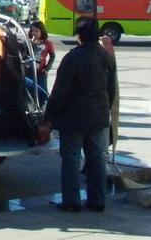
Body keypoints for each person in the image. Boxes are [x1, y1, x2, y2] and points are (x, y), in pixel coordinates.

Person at [45, 16, 116, 213]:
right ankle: (97, 200)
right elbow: (112, 90)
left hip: (74, 117)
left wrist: (48, 115)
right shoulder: (106, 56)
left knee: (71, 159)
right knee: (97, 159)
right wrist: (105, 109)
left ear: (79, 35)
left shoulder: (73, 58)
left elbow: (60, 92)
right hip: (99, 116)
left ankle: (71, 201)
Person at [29, 21, 55, 91]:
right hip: (29, 71)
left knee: (42, 90)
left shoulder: (48, 43)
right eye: (32, 31)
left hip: (41, 71)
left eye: (36, 31)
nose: (34, 33)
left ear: (42, 31)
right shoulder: (28, 42)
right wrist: (31, 44)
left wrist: (47, 68)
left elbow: (52, 56)